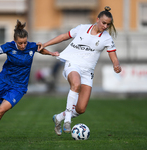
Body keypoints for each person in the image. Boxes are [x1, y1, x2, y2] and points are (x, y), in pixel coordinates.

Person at [0, 20, 59, 140]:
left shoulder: (31, 46)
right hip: (3, 82)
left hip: (18, 87)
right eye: (20, 43)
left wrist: (51, 53)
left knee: (0, 111)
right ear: (15, 41)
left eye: (25, 42)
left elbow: (41, 49)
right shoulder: (8, 46)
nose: (23, 46)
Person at [38, 6, 122, 136]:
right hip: (73, 64)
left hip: (87, 72)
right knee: (75, 85)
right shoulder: (82, 28)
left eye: (108, 24)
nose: (105, 26)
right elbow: (63, 36)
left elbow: (114, 57)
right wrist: (45, 44)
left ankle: (59, 117)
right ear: (97, 19)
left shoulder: (106, 38)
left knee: (81, 108)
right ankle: (67, 121)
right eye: (103, 23)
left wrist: (116, 65)